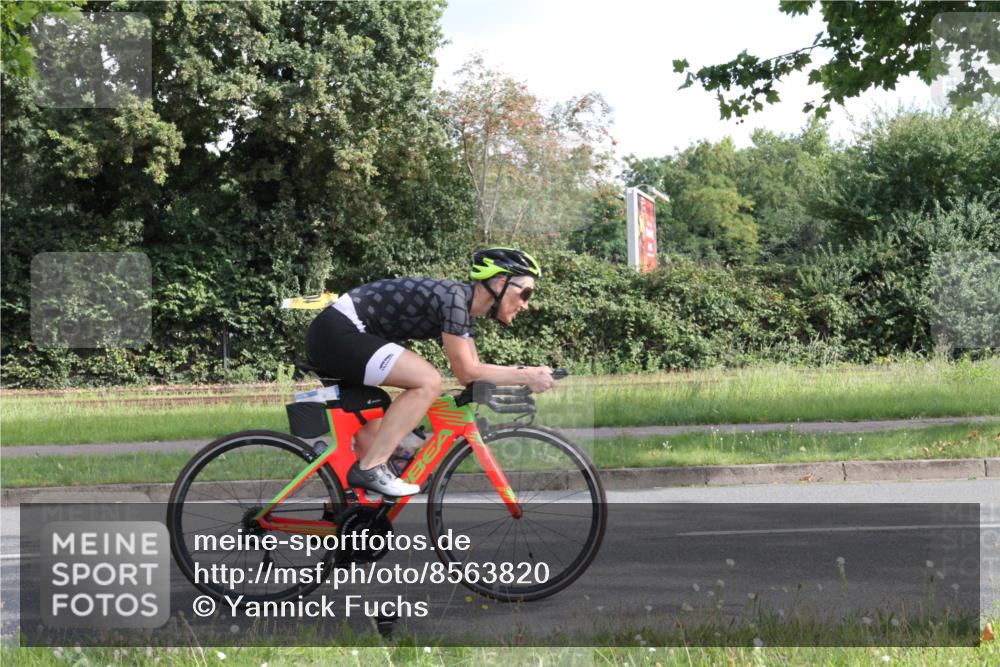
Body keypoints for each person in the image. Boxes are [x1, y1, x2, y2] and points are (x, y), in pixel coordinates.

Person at [305, 248, 555, 497]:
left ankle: (341, 516)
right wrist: (527, 376)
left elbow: (476, 369)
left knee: (377, 435)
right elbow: (468, 373)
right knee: (428, 381)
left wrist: (521, 376)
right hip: (339, 332)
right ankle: (371, 468)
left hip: (337, 335)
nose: (526, 304)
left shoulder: (460, 306)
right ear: (501, 282)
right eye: (525, 293)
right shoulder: (454, 300)